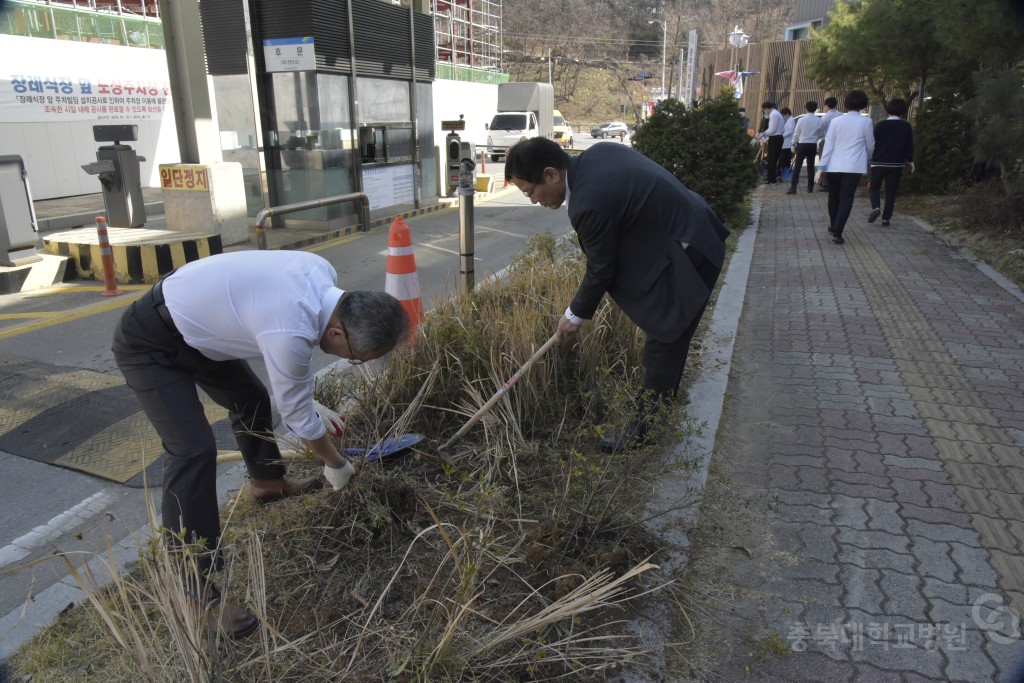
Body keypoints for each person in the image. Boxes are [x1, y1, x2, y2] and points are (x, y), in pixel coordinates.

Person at [111, 250, 409, 637]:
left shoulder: (322, 269)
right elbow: (298, 413)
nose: (351, 360)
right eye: (355, 358)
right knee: (192, 449)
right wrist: (336, 463)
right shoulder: (291, 330)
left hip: (198, 329)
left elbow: (279, 351)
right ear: (338, 333)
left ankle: (268, 483)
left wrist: (301, 395)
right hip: (148, 340)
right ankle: (192, 586)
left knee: (249, 398)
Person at [504, 138, 729, 452]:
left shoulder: (587, 202)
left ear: (552, 174)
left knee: (665, 341)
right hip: (691, 229)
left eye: (530, 191)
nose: (532, 200)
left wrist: (574, 316)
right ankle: (658, 415)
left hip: (692, 250)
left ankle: (643, 433)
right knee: (668, 341)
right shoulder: (599, 154)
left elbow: (601, 268)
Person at [817, 89, 874, 245]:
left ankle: (833, 223)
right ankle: (838, 230)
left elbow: (828, 145)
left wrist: (821, 167)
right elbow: (870, 145)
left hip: (834, 164)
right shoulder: (866, 121)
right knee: (847, 197)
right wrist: (868, 159)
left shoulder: (837, 121)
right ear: (863, 104)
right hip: (854, 165)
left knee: (833, 196)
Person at [868, 98, 915, 227]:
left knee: (874, 187)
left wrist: (870, 159)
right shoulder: (906, 126)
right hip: (896, 163)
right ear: (903, 111)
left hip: (878, 162)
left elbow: (873, 143)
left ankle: (876, 207)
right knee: (891, 190)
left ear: (887, 110)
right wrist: (910, 161)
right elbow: (909, 145)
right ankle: (886, 218)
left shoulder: (881, 125)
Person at [787, 101, 824, 195]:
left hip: (802, 144)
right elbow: (821, 134)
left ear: (806, 108)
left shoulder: (801, 120)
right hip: (812, 144)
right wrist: (815, 137)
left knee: (797, 167)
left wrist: (793, 143)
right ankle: (810, 188)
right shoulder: (819, 120)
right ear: (815, 109)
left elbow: (796, 133)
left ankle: (793, 188)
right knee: (811, 166)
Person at [817, 97, 841, 191]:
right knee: (836, 162)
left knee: (824, 161)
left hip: (826, 140)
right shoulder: (841, 115)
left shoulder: (825, 117)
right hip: (839, 142)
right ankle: (836, 183)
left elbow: (821, 131)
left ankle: (825, 184)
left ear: (826, 105)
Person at [757, 101, 785, 185]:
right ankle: (769, 178)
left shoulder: (774, 115)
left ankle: (773, 179)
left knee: (773, 159)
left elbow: (772, 129)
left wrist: (763, 134)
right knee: (770, 159)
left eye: (763, 110)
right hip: (774, 137)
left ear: (766, 108)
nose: (764, 112)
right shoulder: (774, 114)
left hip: (776, 138)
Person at [778, 107, 795, 178]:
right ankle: (782, 174)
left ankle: (785, 174)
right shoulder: (788, 120)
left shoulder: (791, 120)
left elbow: (790, 131)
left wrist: (782, 136)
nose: (783, 117)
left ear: (787, 114)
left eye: (784, 115)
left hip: (788, 144)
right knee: (783, 160)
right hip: (785, 143)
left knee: (785, 160)